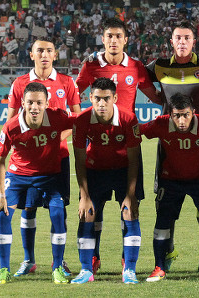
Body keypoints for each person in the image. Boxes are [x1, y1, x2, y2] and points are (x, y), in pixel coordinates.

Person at [75, 18, 159, 274]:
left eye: (117, 36)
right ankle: (92, 260)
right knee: (92, 210)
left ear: (125, 40)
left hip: (127, 145)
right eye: (108, 36)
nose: (113, 40)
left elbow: (157, 96)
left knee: (130, 208)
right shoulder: (90, 65)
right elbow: (73, 94)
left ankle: (127, 263)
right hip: (97, 150)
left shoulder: (136, 67)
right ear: (103, 39)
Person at [145, 21, 199, 273]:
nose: (182, 42)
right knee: (164, 201)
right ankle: (168, 251)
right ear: (171, 41)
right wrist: (158, 99)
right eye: (178, 37)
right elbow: (139, 77)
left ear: (194, 41)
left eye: (187, 37)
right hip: (169, 139)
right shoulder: (160, 66)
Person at [7, 36, 81, 278]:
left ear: (55, 54)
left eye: (49, 50)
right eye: (39, 51)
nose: (44, 55)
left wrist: (56, 137)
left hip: (57, 158)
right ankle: (29, 260)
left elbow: (77, 120)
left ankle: (58, 262)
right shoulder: (19, 84)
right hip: (29, 162)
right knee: (28, 210)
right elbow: (10, 120)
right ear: (31, 54)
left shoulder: (67, 82)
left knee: (57, 210)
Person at [0, 82, 75, 284]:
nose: (34, 107)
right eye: (30, 102)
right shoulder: (11, 126)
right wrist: (0, 195)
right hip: (18, 176)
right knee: (3, 216)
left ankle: (57, 268)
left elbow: (79, 121)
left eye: (39, 102)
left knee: (57, 214)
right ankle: (4, 269)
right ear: (23, 103)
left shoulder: (57, 117)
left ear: (47, 103)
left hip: (49, 176)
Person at [140, 93, 199, 282]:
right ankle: (159, 267)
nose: (181, 120)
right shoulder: (160, 124)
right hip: (171, 181)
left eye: (186, 115)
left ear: (193, 113)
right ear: (170, 114)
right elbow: (136, 131)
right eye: (177, 115)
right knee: (162, 222)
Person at [71, 78, 142, 284]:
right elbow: (79, 161)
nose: (102, 103)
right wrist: (84, 196)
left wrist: (130, 195)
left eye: (106, 99)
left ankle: (129, 269)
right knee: (88, 214)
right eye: (97, 99)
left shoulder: (128, 119)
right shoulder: (82, 120)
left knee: (130, 213)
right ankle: (86, 270)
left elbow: (134, 161)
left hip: (123, 171)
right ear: (90, 98)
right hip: (95, 171)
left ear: (115, 98)